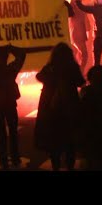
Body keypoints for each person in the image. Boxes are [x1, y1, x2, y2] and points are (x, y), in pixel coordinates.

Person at [34, 42, 85, 171]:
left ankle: (56, 166)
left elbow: (39, 76)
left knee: (54, 140)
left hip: (51, 107)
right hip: (69, 106)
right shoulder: (72, 67)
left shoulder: (51, 67)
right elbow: (81, 82)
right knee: (69, 139)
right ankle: (70, 165)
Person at [0, 44, 26, 169]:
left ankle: (3, 159)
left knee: (1, 133)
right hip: (9, 103)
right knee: (13, 131)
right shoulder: (11, 69)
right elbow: (22, 55)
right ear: (6, 57)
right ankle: (15, 158)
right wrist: (11, 48)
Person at [64, 0, 90, 74]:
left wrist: (87, 31)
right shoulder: (73, 8)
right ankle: (80, 72)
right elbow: (86, 22)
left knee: (79, 54)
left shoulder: (77, 7)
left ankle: (77, 71)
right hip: (77, 35)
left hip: (77, 35)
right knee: (84, 54)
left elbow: (86, 21)